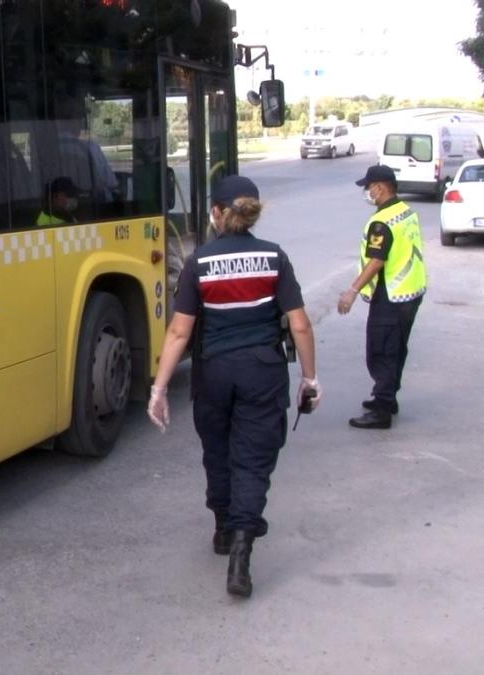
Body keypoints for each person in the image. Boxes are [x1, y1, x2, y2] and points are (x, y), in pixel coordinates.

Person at [147, 175, 320, 599]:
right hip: (263, 372)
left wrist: (159, 389)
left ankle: (224, 528)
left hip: (214, 374)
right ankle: (242, 545)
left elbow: (177, 333)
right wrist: (309, 380)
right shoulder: (274, 259)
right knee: (253, 460)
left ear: (217, 213)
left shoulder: (200, 263)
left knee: (219, 452)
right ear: (252, 210)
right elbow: (299, 323)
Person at [336, 164, 427, 429]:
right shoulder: (406, 212)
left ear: (380, 187)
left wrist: (352, 291)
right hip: (411, 291)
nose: (367, 192)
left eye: (368, 186)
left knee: (382, 352)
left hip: (391, 296)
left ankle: (382, 409)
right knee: (397, 348)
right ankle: (389, 397)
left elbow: (376, 261)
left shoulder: (381, 223)